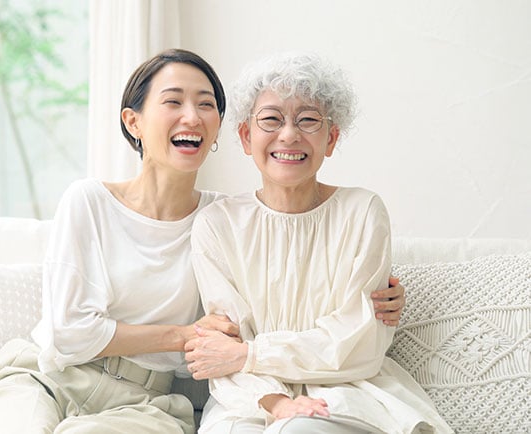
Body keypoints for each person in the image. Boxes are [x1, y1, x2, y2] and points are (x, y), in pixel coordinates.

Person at [0, 49, 406, 434]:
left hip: (146, 402)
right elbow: (69, 333)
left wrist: (385, 298)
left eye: (206, 104)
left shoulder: (224, 221)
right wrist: (183, 335)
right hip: (48, 377)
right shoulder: (89, 201)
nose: (192, 116)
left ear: (222, 130)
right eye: (173, 101)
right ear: (133, 121)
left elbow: (280, 281)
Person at [185, 52, 451, 433]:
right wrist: (276, 402)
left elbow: (359, 344)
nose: (290, 134)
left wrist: (250, 353)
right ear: (246, 136)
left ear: (331, 138)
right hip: (248, 399)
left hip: (348, 391)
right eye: (271, 119)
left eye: (308, 119)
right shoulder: (217, 224)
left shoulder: (363, 212)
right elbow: (219, 351)